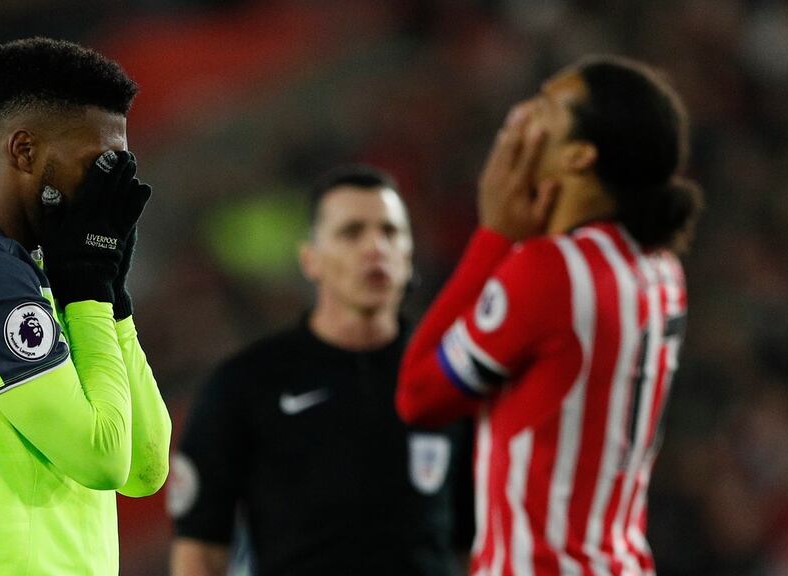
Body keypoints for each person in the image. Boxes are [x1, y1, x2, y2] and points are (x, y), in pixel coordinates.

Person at [396, 56, 703, 575]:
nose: (519, 116)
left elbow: (418, 396)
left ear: (580, 156)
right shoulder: (660, 268)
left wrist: (492, 236)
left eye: (544, 107)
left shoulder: (550, 271)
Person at [0, 37, 171, 575]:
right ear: (24, 151)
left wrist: (110, 297)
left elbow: (144, 468)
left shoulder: (50, 270)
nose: (106, 187)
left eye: (117, 166)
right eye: (96, 164)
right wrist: (89, 291)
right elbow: (100, 457)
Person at [168, 165, 474, 576]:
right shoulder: (244, 385)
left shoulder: (451, 376)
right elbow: (200, 552)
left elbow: (479, 538)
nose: (375, 247)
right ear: (311, 260)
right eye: (351, 232)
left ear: (408, 254)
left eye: (390, 232)